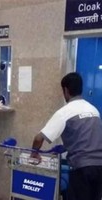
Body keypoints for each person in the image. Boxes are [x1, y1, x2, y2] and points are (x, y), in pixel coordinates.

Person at [31, 72, 102, 200]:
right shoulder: (94, 111)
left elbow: (38, 138)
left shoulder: (64, 113)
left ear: (66, 90)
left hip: (81, 168)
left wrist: (34, 153)